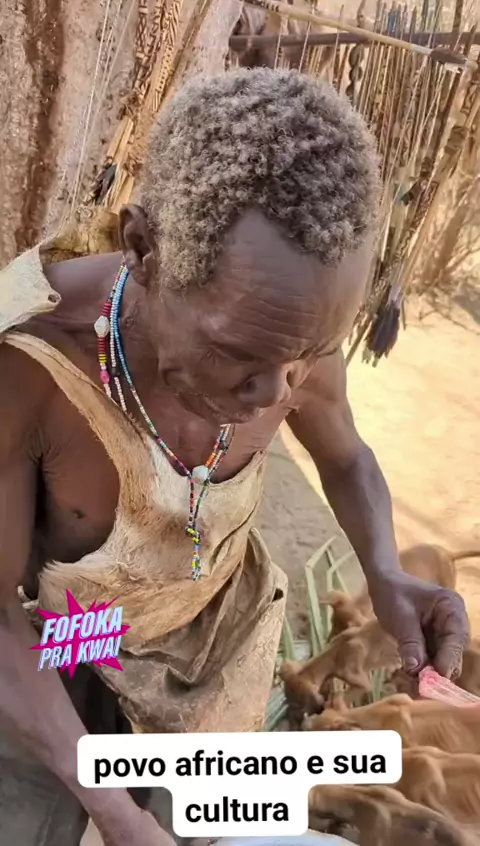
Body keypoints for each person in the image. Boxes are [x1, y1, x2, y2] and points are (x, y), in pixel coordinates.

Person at [0, 68, 468, 846]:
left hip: (210, 653)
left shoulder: (291, 331)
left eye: (307, 355)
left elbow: (346, 457)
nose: (276, 393)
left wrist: (385, 568)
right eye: (236, 353)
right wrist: (115, 812)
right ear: (144, 249)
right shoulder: (31, 367)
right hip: (59, 645)